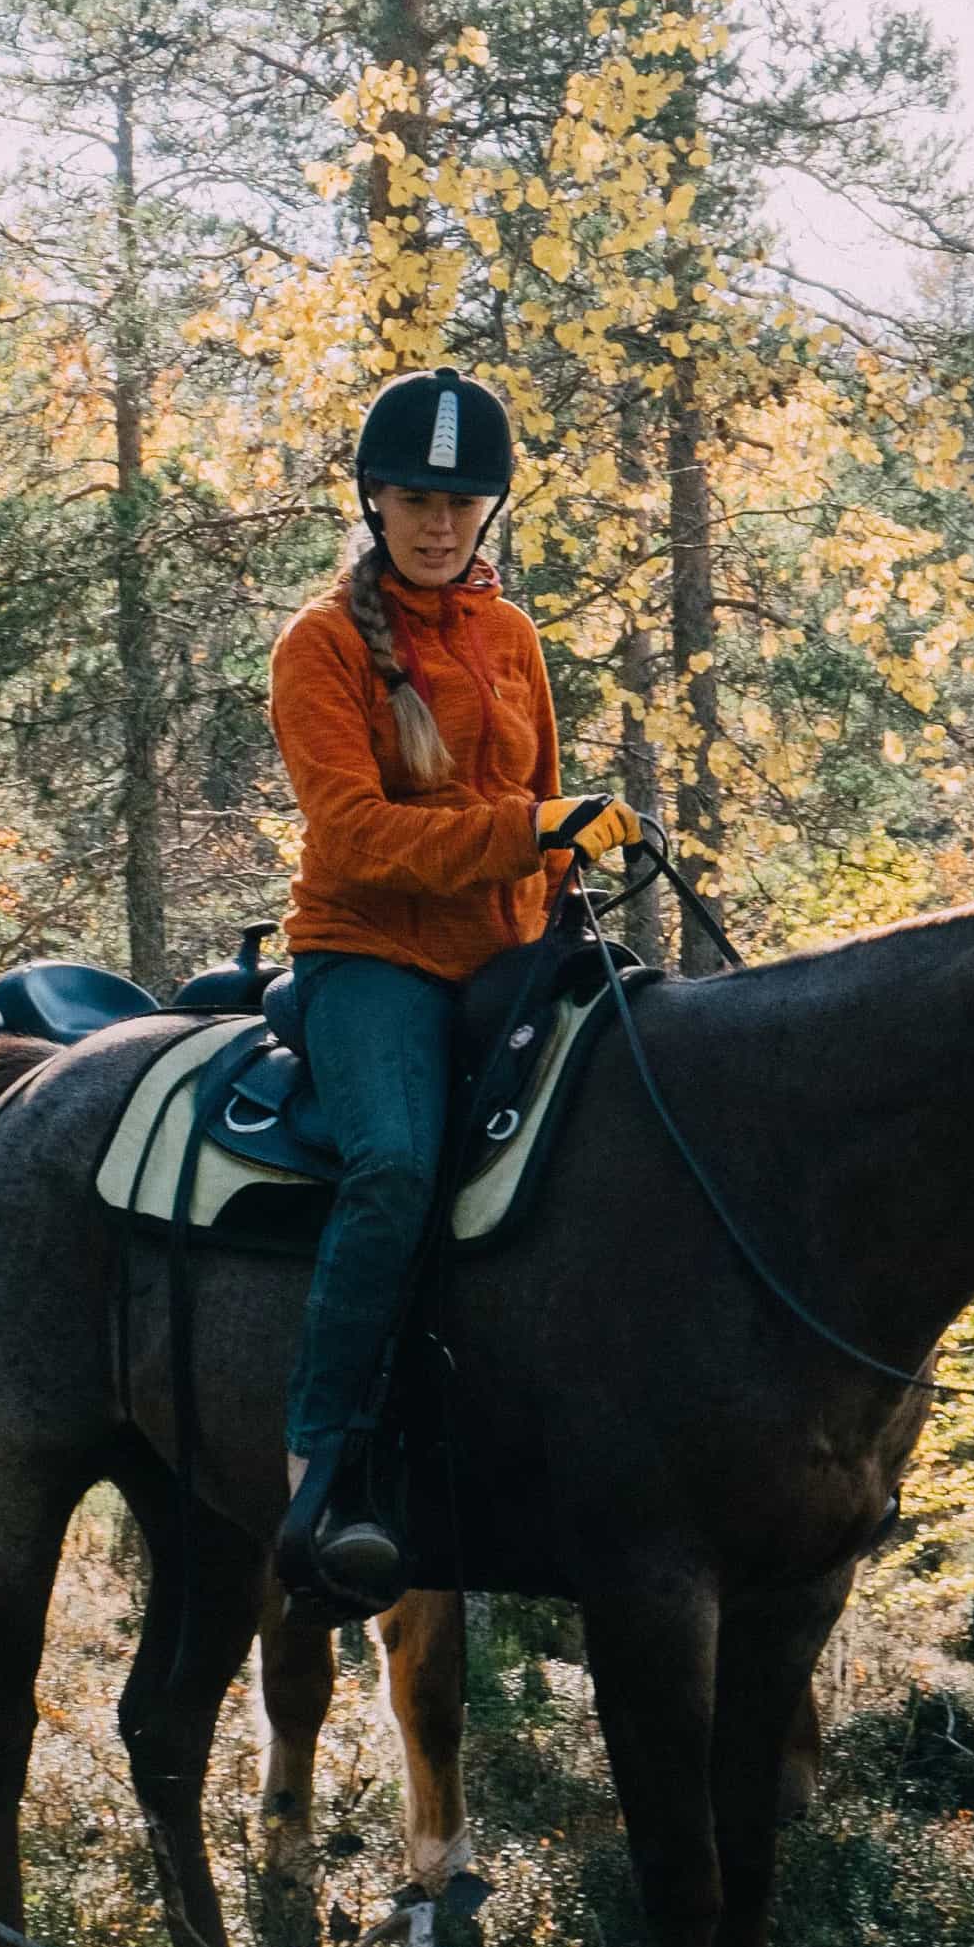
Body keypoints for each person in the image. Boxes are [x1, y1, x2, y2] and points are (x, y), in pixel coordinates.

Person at [268, 368, 637, 1606]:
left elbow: (537, 810)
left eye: (464, 503)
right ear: (373, 500)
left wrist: (569, 853)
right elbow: (357, 837)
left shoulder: (513, 637)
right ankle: (320, 1461)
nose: (441, 522)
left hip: (510, 951)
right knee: (396, 1166)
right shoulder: (319, 647)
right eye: (419, 499)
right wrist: (530, 830)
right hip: (371, 958)